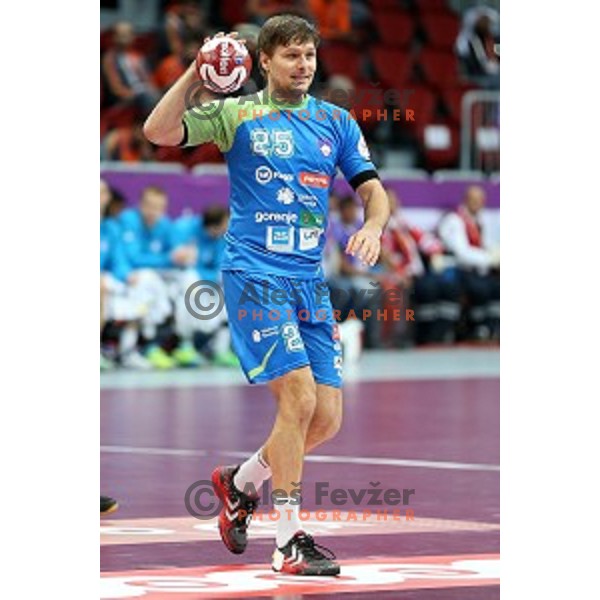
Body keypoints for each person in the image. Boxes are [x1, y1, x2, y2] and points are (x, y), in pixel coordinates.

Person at [144, 14, 389, 576]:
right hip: (254, 274)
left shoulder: (337, 121)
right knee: (298, 400)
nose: (303, 66)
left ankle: (239, 482)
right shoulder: (238, 114)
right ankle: (288, 541)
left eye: (309, 55)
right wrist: (194, 72)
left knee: (325, 419)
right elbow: (158, 132)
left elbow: (375, 193)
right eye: (291, 56)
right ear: (265, 62)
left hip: (309, 280)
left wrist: (373, 226)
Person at [438, 185, 500, 340]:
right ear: (466, 200)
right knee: (480, 288)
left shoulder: (479, 221)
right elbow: (461, 252)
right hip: (456, 269)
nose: (478, 204)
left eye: (480, 200)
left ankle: (492, 327)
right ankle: (476, 328)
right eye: (474, 200)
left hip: (477, 269)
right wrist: (490, 260)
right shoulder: (454, 220)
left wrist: (497, 255)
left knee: (497, 286)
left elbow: (485, 244)